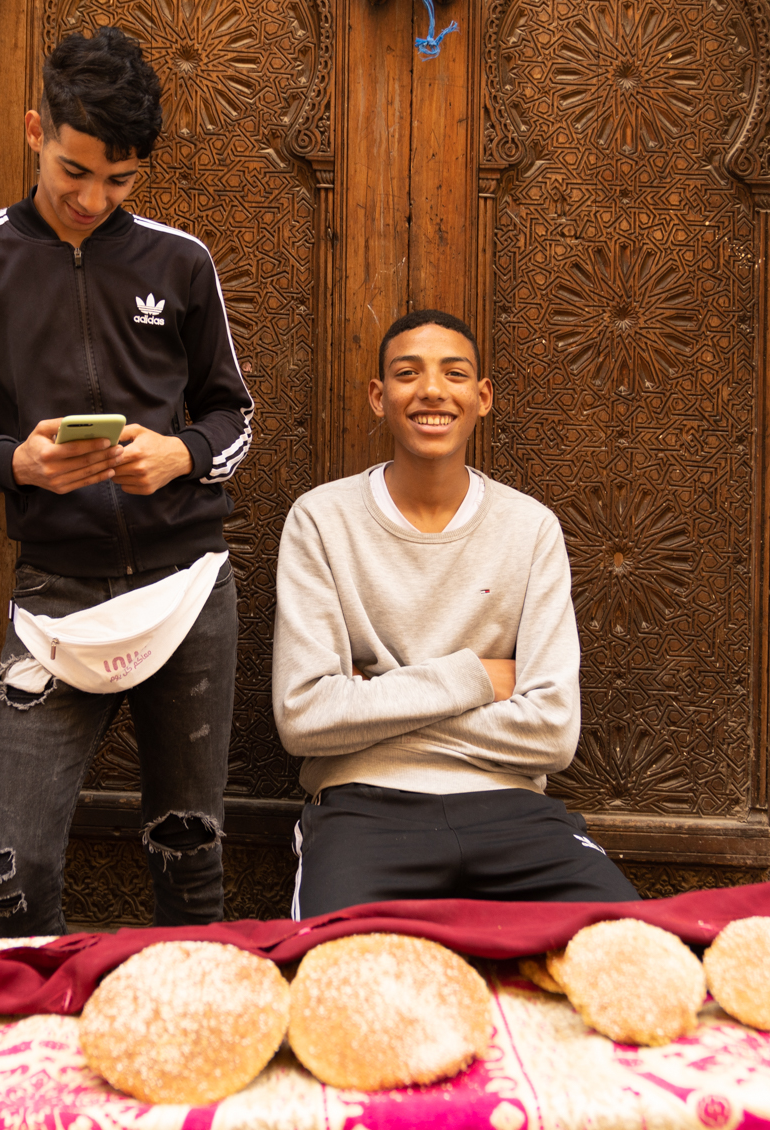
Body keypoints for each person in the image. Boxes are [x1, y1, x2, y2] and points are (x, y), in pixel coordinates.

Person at [0, 27, 253, 936]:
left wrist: (180, 455)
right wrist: (16, 461)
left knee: (189, 851)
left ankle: (188, 1044)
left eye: (120, 182)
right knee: (10, 873)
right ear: (36, 130)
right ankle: (30, 1054)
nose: (92, 199)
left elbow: (236, 417)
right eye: (75, 171)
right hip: (54, 596)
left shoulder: (178, 261)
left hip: (187, 588)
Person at [271, 309, 638, 918]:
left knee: (638, 960)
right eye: (407, 373)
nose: (432, 391)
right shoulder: (321, 520)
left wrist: (374, 699)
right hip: (364, 807)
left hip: (514, 809)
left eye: (455, 373)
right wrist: (474, 680)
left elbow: (552, 732)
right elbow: (306, 719)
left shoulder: (531, 528)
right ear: (378, 396)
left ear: (482, 396)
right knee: (344, 983)